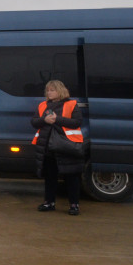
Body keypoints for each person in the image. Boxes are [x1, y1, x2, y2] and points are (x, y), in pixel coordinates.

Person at [31, 80, 85, 215]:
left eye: (52, 90)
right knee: (50, 177)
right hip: (48, 148)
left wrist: (57, 119)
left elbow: (77, 122)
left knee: (72, 177)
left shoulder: (71, 104)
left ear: (60, 91)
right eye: (48, 90)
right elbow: (34, 122)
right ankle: (49, 202)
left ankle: (74, 205)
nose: (49, 93)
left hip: (67, 147)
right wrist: (44, 120)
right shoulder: (43, 105)